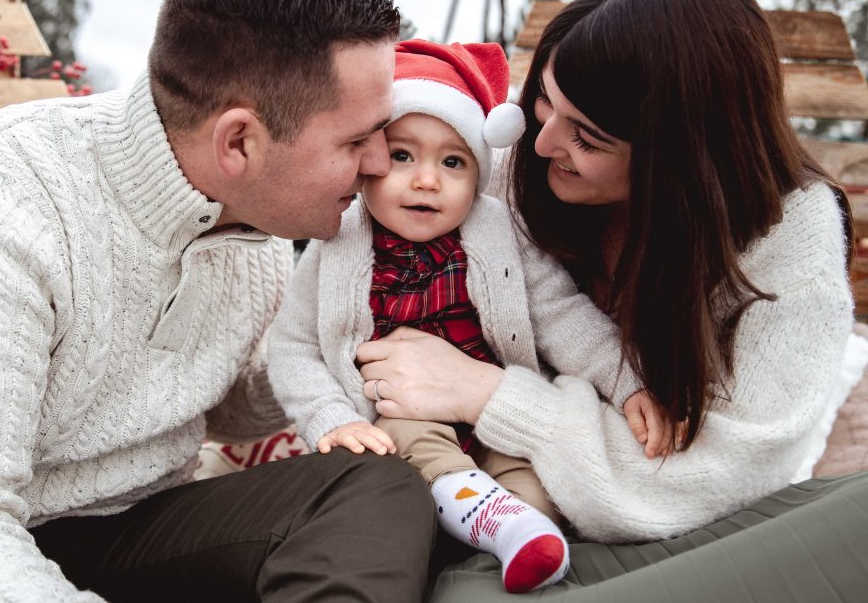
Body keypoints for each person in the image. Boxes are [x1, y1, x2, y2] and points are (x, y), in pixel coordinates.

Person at [0, 0, 437, 603]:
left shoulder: (259, 219)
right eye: (357, 140)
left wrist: (354, 343)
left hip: (131, 528)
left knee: (374, 484)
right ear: (239, 141)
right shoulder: (4, 186)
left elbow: (233, 405)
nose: (383, 163)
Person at [355, 0, 861, 556]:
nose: (541, 145)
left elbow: (712, 482)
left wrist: (487, 394)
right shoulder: (522, 159)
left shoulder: (788, 240)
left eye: (587, 137)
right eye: (544, 99)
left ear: (681, 158)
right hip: (459, 475)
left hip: (667, 543)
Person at [268, 39, 673, 593]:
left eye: (452, 162)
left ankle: (526, 534)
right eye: (403, 156)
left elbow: (563, 316)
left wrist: (626, 383)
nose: (427, 180)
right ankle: (491, 523)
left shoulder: (499, 231)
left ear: (479, 174)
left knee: (532, 480)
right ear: (369, 159)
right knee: (411, 446)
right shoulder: (338, 240)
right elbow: (293, 347)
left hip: (496, 406)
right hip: (400, 414)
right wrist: (332, 419)